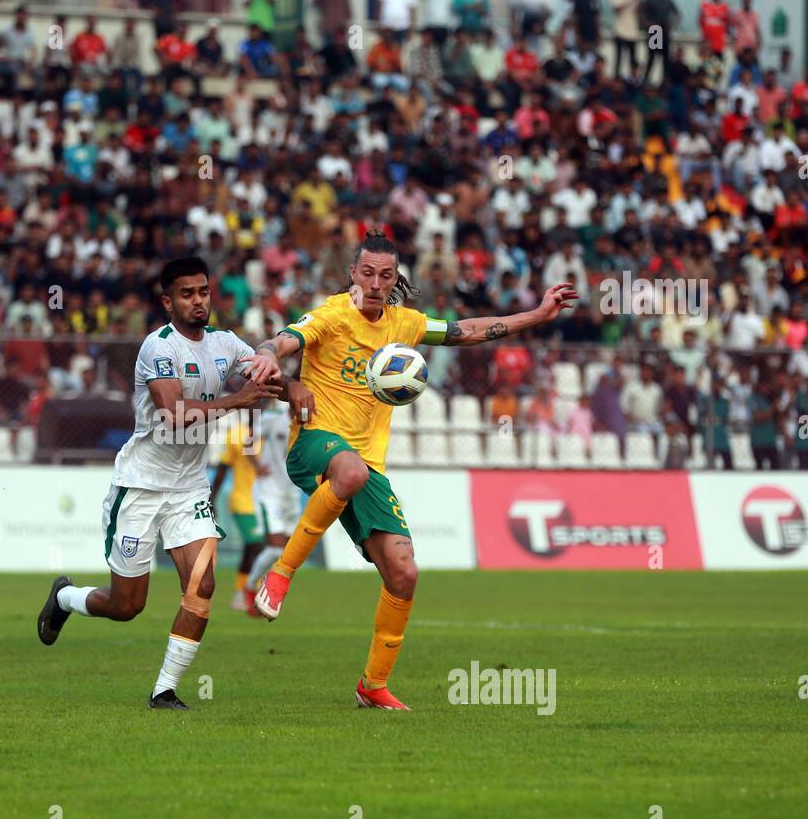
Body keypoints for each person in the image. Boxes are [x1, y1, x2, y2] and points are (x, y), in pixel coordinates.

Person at [244, 230, 578, 710]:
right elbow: (282, 341)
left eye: (385, 275)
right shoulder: (331, 315)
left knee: (403, 573)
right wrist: (268, 358)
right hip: (315, 445)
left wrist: (538, 315)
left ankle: (373, 685)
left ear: (394, 279)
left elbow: (468, 331)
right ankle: (280, 575)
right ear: (351, 275)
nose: (376, 284)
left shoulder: (405, 324)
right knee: (351, 472)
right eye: (366, 273)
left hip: (364, 466)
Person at [35, 257, 310, 710]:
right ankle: (65, 597)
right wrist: (237, 399)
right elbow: (174, 414)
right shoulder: (158, 348)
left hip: (188, 489)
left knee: (201, 587)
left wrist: (291, 386)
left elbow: (264, 373)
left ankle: (164, 690)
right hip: (140, 486)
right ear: (168, 302)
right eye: (187, 294)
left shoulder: (225, 344)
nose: (198, 301)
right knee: (127, 606)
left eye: (203, 291)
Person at [244, 398, 302, 613]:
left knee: (286, 553)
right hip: (269, 491)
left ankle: (265, 595)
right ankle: (250, 588)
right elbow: (248, 444)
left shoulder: (311, 425)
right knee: (275, 548)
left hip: (291, 494)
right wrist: (257, 466)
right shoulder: (271, 419)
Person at [209, 416, 266, 612]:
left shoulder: (272, 432)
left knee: (260, 549)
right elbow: (223, 469)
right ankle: (242, 593)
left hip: (267, 502)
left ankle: (254, 592)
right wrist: (212, 498)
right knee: (254, 544)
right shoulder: (236, 435)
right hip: (243, 501)